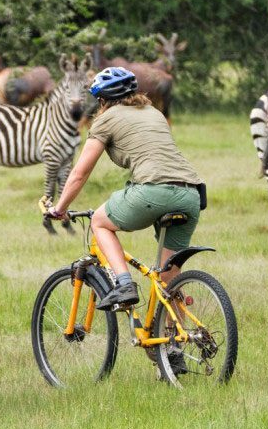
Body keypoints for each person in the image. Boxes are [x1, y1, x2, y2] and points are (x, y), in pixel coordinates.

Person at [47, 67, 202, 312]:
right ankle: (175, 344)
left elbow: (80, 173)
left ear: (101, 100)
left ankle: (125, 284)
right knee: (167, 279)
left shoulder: (106, 119)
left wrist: (59, 209)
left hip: (153, 190)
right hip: (191, 194)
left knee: (99, 222)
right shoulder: (154, 113)